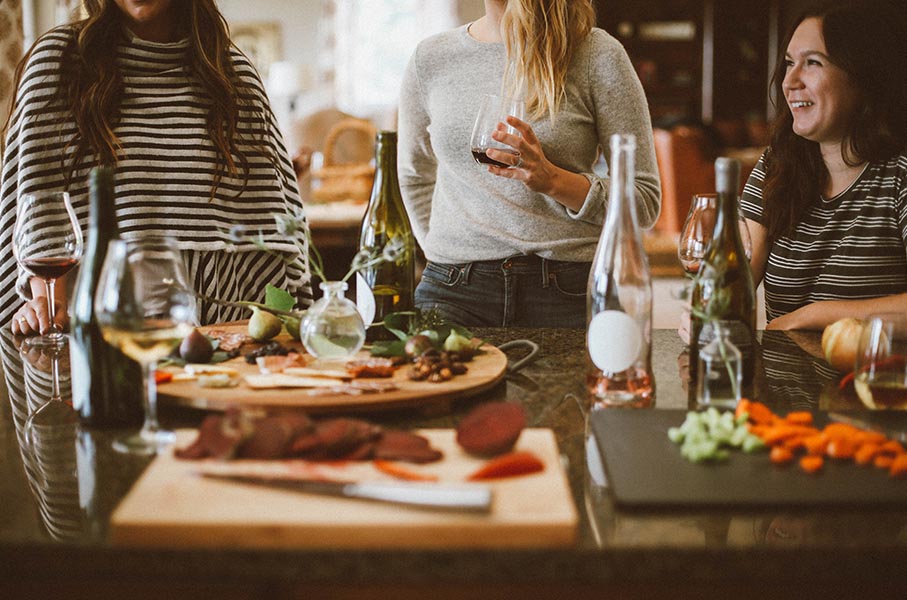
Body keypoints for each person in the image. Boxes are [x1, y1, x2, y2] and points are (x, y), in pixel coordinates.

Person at [0, 0, 312, 336]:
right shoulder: (60, 60)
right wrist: (47, 302)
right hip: (103, 330)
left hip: (223, 327)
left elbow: (273, 224)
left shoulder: (233, 73)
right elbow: (39, 198)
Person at [397, 0, 660, 328]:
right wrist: (443, 251)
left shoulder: (597, 53)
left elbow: (644, 201)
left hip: (568, 291)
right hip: (452, 292)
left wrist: (552, 180)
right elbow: (414, 176)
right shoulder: (431, 58)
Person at [740, 0, 907, 330]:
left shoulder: (899, 174)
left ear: (864, 77)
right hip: (786, 382)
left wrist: (812, 315)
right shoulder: (777, 163)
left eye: (813, 63)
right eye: (789, 63)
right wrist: (708, 304)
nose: (790, 81)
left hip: (875, 380)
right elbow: (738, 276)